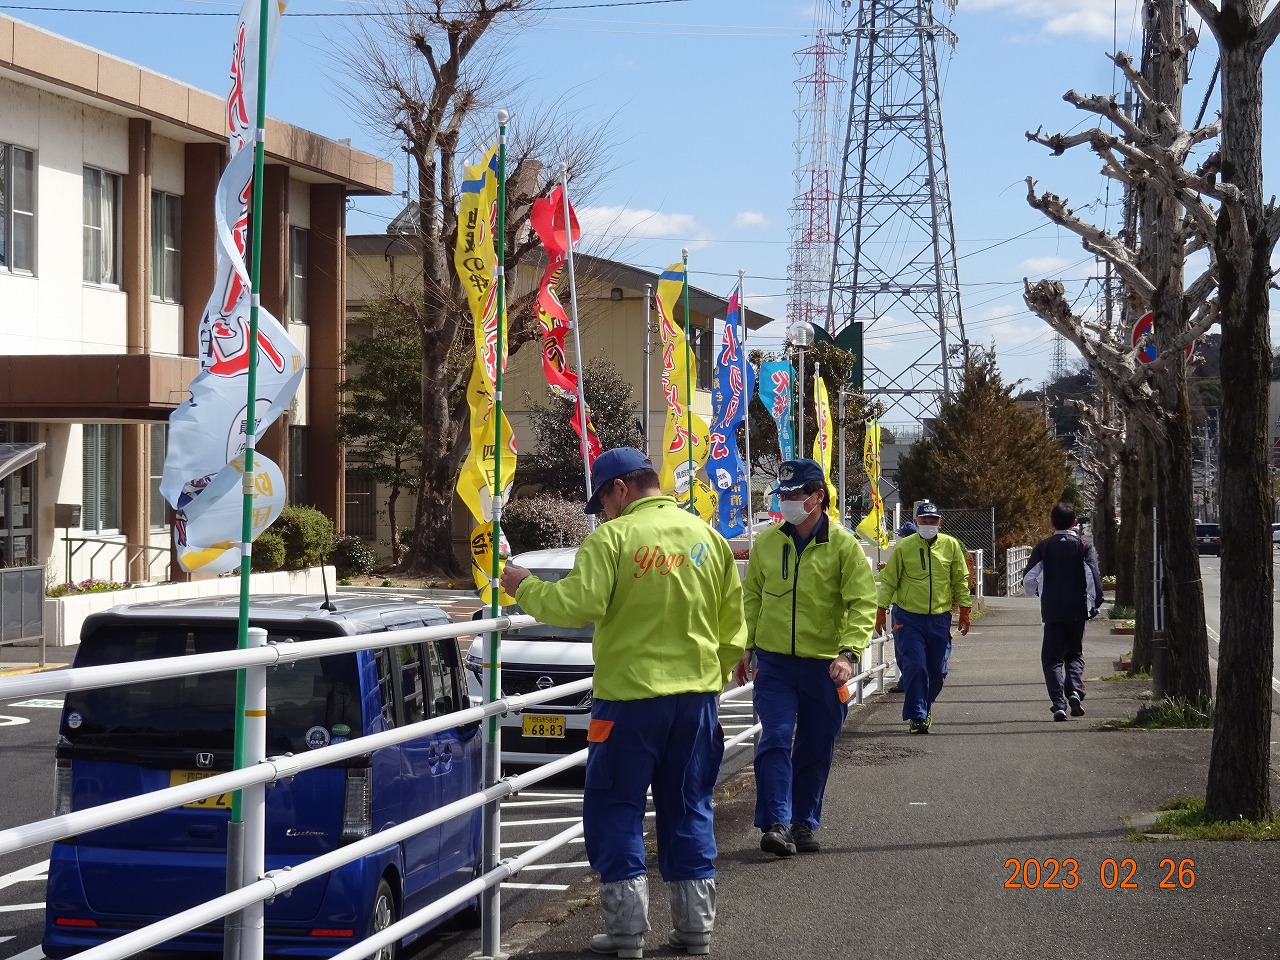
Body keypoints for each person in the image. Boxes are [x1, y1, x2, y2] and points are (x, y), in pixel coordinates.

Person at [500, 447, 746, 959]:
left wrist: (524, 588)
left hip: (629, 701)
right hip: (696, 700)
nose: (602, 513)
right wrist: (713, 680)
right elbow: (732, 627)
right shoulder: (708, 538)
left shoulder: (611, 539)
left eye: (602, 502)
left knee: (616, 808)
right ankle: (696, 929)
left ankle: (627, 933)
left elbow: (576, 606)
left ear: (619, 489)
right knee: (689, 807)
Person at [733, 459, 876, 857]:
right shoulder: (768, 543)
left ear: (817, 497)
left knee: (817, 744)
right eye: (784, 497)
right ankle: (776, 823)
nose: (788, 503)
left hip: (825, 665)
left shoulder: (844, 546)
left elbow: (863, 603)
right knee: (775, 737)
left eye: (796, 496)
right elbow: (753, 597)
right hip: (775, 663)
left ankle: (803, 823)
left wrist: (849, 653)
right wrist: (746, 645)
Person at [875, 501, 972, 734]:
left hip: (939, 618)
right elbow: (890, 580)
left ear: (940, 522)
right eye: (924, 521)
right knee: (915, 665)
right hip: (908, 618)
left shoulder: (950, 546)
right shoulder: (903, 547)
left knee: (938, 671)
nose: (928, 524)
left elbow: (960, 578)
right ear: (916, 522)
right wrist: (881, 608)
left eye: (933, 521)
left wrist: (966, 609)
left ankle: (924, 707)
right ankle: (917, 715)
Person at [1022, 501, 1103, 721]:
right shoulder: (1084, 546)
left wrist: (1038, 592)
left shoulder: (1044, 546)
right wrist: (1094, 603)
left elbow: (1028, 578)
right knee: (1074, 654)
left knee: (1052, 659)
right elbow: (1092, 576)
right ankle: (1075, 690)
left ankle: (1059, 704)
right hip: (1077, 610)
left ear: (1052, 522)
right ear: (1075, 522)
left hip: (1052, 611)